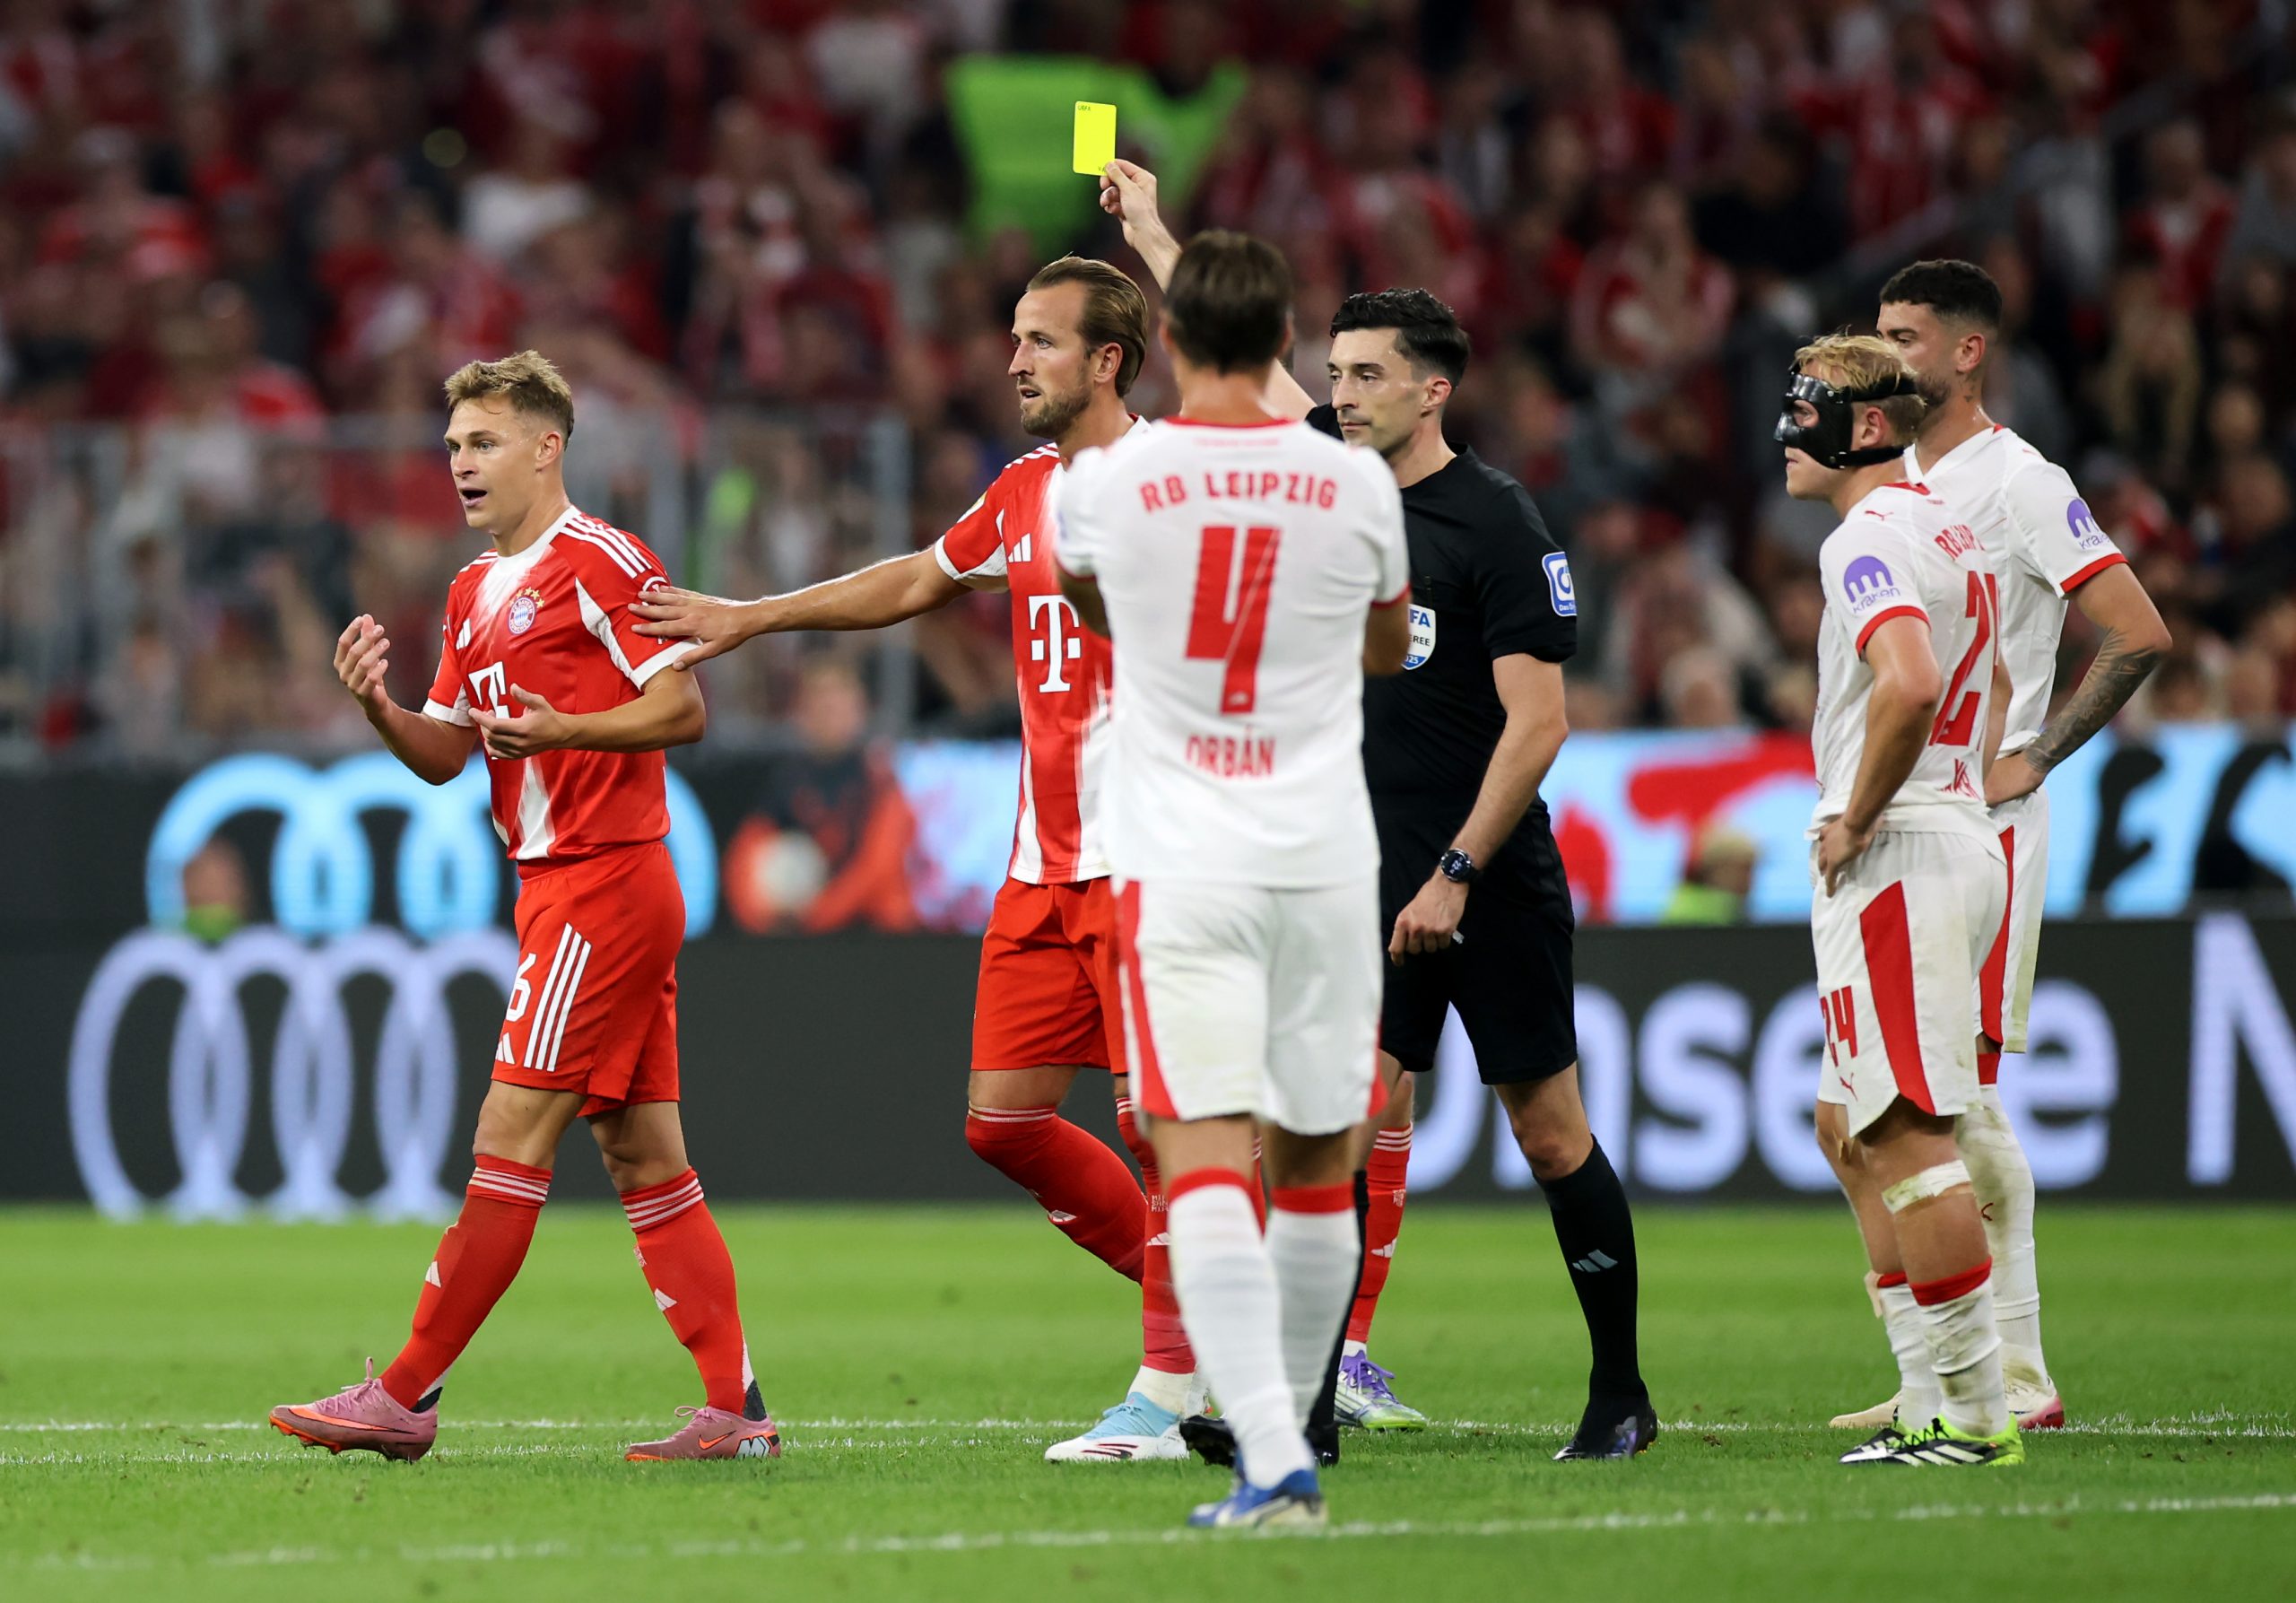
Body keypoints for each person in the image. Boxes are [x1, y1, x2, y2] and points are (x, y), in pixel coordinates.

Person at [1101, 160, 1654, 1461]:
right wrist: (1149, 233)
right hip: (1361, 876)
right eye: (1333, 372)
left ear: (1431, 388)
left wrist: (1456, 868)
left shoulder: (1497, 525)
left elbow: (1540, 725)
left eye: (1364, 375)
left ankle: (1619, 1388)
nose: (1337, 394)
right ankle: (1301, 1409)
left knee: (1549, 1127)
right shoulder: (1335, 480)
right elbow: (1240, 346)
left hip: (1483, 876)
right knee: (1334, 1126)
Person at [628, 257, 1204, 1462]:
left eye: (1040, 340)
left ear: (1109, 359)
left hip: (1152, 853)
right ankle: (1211, 1284)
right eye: (1013, 335)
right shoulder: (1024, 488)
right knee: (1003, 1120)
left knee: (1160, 1121)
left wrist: (1154, 232)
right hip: (1042, 864)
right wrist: (751, 616)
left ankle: (1174, 1380)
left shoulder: (1174, 478)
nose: (1011, 359)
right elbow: (914, 580)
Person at [268, 351, 779, 1463]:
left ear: (548, 447)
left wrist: (569, 730)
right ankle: (735, 1408)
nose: (462, 463)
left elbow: (682, 708)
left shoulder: (602, 560)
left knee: (510, 1135)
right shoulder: (469, 588)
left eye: (484, 441)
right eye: (453, 445)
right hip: (554, 885)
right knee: (644, 1155)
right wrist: (377, 705)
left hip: (605, 878)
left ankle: (403, 1394)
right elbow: (448, 756)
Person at [1053, 228, 1413, 1529]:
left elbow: (1091, 602)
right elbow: (1385, 644)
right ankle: (1290, 1428)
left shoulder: (1104, 481)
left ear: (1175, 345)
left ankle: (1275, 1455)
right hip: (1322, 853)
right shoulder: (1357, 483)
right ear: (1281, 348)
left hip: (1181, 856)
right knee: (1320, 1160)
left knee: (1200, 1146)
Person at [1832, 261, 2171, 1435]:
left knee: (1952, 1098)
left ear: (1968, 353)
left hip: (1976, 819)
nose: (1884, 353)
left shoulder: (2021, 481)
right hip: (1908, 816)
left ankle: (2013, 1376)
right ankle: (1941, 1367)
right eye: (1876, 332)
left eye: (1905, 334)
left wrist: (2038, 751)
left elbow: (2134, 628)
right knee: (1853, 1111)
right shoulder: (1898, 481)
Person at [1779, 332, 2022, 1468]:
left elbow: (1912, 678)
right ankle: (1926, 1389)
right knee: (1850, 1122)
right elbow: (1999, 675)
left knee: (1911, 1132)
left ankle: (1972, 1416)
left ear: (1867, 424)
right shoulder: (1947, 528)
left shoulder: (1864, 536)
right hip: (1956, 826)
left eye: (1807, 404)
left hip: (1904, 848)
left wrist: (1862, 809)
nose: (1787, 424)